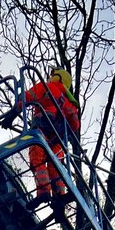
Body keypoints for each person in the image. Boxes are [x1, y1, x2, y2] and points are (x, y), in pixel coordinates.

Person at [21, 67, 81, 211]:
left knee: (37, 158)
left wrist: (13, 112)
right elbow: (75, 124)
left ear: (57, 77)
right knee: (56, 165)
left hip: (42, 129)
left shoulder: (46, 87)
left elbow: (26, 97)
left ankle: (43, 191)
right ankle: (59, 196)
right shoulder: (68, 101)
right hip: (58, 139)